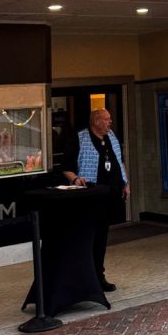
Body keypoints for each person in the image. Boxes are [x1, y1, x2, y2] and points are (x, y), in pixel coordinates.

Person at [62, 108, 130, 292]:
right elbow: (66, 167)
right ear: (96, 121)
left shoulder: (112, 137)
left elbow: (119, 161)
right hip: (89, 197)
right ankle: (85, 278)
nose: (110, 122)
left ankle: (99, 276)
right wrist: (75, 178)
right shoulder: (80, 138)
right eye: (107, 119)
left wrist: (125, 182)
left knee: (101, 238)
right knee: (88, 238)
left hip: (108, 197)